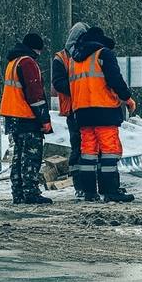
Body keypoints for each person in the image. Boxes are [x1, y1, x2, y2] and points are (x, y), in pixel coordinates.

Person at [69, 26, 136, 203]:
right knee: (109, 151)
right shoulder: (103, 54)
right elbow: (115, 79)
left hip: (82, 113)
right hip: (104, 110)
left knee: (88, 153)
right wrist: (127, 98)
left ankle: (89, 192)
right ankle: (111, 190)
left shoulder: (73, 59)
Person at [0, 32, 54, 205]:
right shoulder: (28, 63)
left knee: (18, 156)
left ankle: (18, 192)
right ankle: (31, 192)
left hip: (12, 116)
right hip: (27, 116)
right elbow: (35, 95)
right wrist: (44, 119)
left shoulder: (12, 62)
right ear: (36, 49)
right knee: (31, 157)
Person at [51, 21, 88, 197]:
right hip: (74, 109)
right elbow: (58, 83)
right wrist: (80, 86)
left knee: (88, 147)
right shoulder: (61, 59)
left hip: (87, 107)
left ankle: (88, 182)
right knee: (78, 147)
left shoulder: (86, 55)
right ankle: (79, 184)